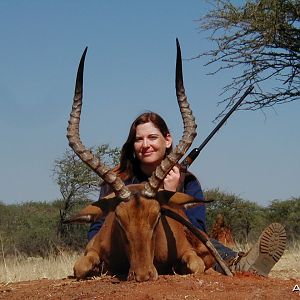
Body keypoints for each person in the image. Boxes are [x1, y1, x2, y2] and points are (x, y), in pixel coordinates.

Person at [88, 111, 286, 276]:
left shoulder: (187, 180)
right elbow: (98, 227)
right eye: (139, 139)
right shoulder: (119, 181)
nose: (145, 145)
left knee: (202, 245)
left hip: (174, 252)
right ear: (133, 146)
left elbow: (198, 228)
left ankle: (239, 265)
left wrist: (171, 198)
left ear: (167, 140)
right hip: (125, 254)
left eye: (152, 137)